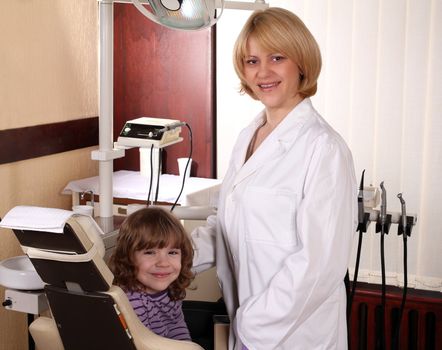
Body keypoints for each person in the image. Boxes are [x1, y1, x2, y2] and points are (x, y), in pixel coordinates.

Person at [191, 7, 357, 350]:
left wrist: (254, 327)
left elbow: (319, 265)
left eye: (276, 57)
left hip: (294, 336)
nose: (263, 72)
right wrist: (172, 259)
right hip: (249, 325)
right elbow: (228, 227)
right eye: (252, 61)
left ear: (301, 63)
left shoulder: (324, 148)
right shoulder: (248, 137)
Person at [109, 207, 194, 341]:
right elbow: (145, 345)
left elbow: (175, 325)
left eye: (172, 252)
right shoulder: (133, 302)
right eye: (150, 252)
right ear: (128, 257)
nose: (163, 263)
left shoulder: (172, 289)